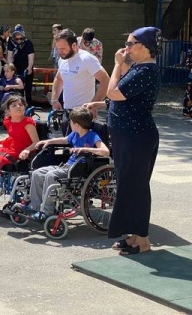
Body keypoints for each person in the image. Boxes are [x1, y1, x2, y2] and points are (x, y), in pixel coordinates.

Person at [107, 27, 161, 255]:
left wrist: (116, 65)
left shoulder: (146, 70)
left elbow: (113, 92)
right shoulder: (139, 68)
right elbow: (124, 94)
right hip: (128, 135)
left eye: (130, 44)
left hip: (136, 137)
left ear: (145, 47)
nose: (126, 48)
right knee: (128, 186)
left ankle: (143, 240)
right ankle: (134, 236)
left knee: (136, 187)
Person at [16, 107, 109, 220]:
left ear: (76, 125)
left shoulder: (92, 136)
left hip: (78, 169)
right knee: (37, 173)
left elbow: (105, 151)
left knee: (51, 175)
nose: (69, 123)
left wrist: (85, 149)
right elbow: (64, 139)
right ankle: (35, 207)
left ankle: (47, 211)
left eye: (71, 122)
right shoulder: (74, 134)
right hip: (66, 166)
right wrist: (48, 141)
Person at [49, 29, 110, 135]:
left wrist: (94, 105)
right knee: (68, 143)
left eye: (63, 48)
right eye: (58, 48)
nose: (60, 52)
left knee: (84, 145)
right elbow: (59, 78)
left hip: (84, 114)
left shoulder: (87, 59)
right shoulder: (62, 59)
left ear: (74, 45)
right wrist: (54, 99)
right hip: (67, 112)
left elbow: (106, 80)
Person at [8, 24, 35, 107]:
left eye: (21, 38)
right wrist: (10, 68)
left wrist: (29, 67)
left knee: (27, 89)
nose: (19, 40)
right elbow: (9, 57)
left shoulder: (28, 43)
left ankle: (29, 107)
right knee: (17, 90)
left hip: (26, 68)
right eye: (17, 39)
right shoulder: (12, 43)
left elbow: (31, 57)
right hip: (16, 69)